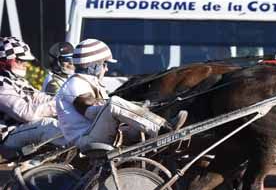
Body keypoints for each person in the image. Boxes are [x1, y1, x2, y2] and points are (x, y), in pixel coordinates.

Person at [55, 39, 187, 150]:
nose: (106, 69)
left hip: (94, 133)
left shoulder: (87, 82)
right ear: (93, 67)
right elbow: (90, 112)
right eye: (104, 64)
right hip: (86, 139)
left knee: (135, 122)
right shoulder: (76, 83)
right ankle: (163, 129)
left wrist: (138, 108)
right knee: (114, 102)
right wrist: (122, 109)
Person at [0, 37, 65, 150]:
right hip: (7, 136)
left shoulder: (17, 80)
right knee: (47, 125)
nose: (25, 64)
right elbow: (26, 113)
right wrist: (60, 105)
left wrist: (65, 100)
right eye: (20, 60)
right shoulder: (1, 84)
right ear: (5, 60)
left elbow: (38, 97)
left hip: (21, 129)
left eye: (26, 61)